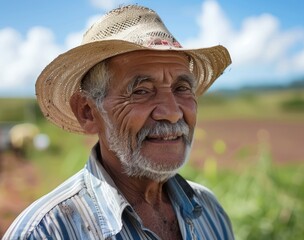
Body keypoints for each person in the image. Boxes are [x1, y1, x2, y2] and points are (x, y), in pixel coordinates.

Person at [4, 5, 234, 240]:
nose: (173, 113)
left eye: (182, 88)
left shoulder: (209, 210)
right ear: (88, 113)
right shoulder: (46, 232)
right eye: (142, 91)